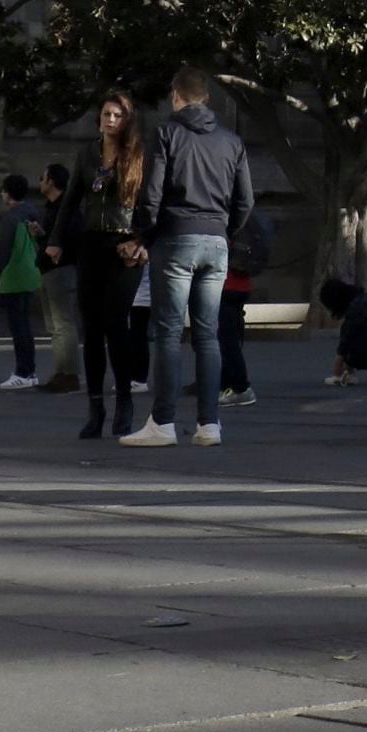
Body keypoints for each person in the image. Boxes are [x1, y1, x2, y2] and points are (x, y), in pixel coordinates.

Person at [125, 67, 251, 447]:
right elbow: (245, 200)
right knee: (208, 333)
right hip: (216, 240)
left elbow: (152, 194)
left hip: (176, 237)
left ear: (175, 96)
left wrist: (142, 234)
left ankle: (162, 422)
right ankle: (209, 423)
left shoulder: (167, 132)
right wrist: (224, 230)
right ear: (207, 99)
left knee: (166, 330)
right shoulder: (232, 141)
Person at [48, 93, 148, 439]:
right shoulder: (87, 153)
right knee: (91, 328)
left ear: (127, 120)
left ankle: (124, 402)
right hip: (91, 242)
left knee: (116, 323)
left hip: (124, 247)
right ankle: (95, 407)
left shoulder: (137, 155)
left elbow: (151, 204)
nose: (110, 120)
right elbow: (71, 198)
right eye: (106, 114)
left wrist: (142, 241)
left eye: (117, 115)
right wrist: (56, 239)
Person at [0, 173, 47, 388]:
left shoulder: (11, 218)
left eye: (3, 190)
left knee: (17, 326)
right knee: (25, 325)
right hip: (30, 272)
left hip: (13, 275)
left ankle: (23, 372)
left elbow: (3, 250)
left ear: (8, 193)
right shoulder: (33, 212)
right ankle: (30, 371)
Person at [222, 199, 274, 406]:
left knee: (225, 339)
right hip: (241, 282)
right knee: (232, 336)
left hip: (224, 282)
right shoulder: (245, 216)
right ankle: (227, 381)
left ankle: (239, 386)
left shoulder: (223, 213)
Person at [34, 162, 82, 390]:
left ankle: (69, 374)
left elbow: (74, 234)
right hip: (48, 268)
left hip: (61, 269)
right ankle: (61, 371)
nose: (40, 182)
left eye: (43, 178)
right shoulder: (52, 207)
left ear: (51, 181)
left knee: (63, 323)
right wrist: (43, 236)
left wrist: (59, 246)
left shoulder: (67, 206)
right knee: (54, 325)